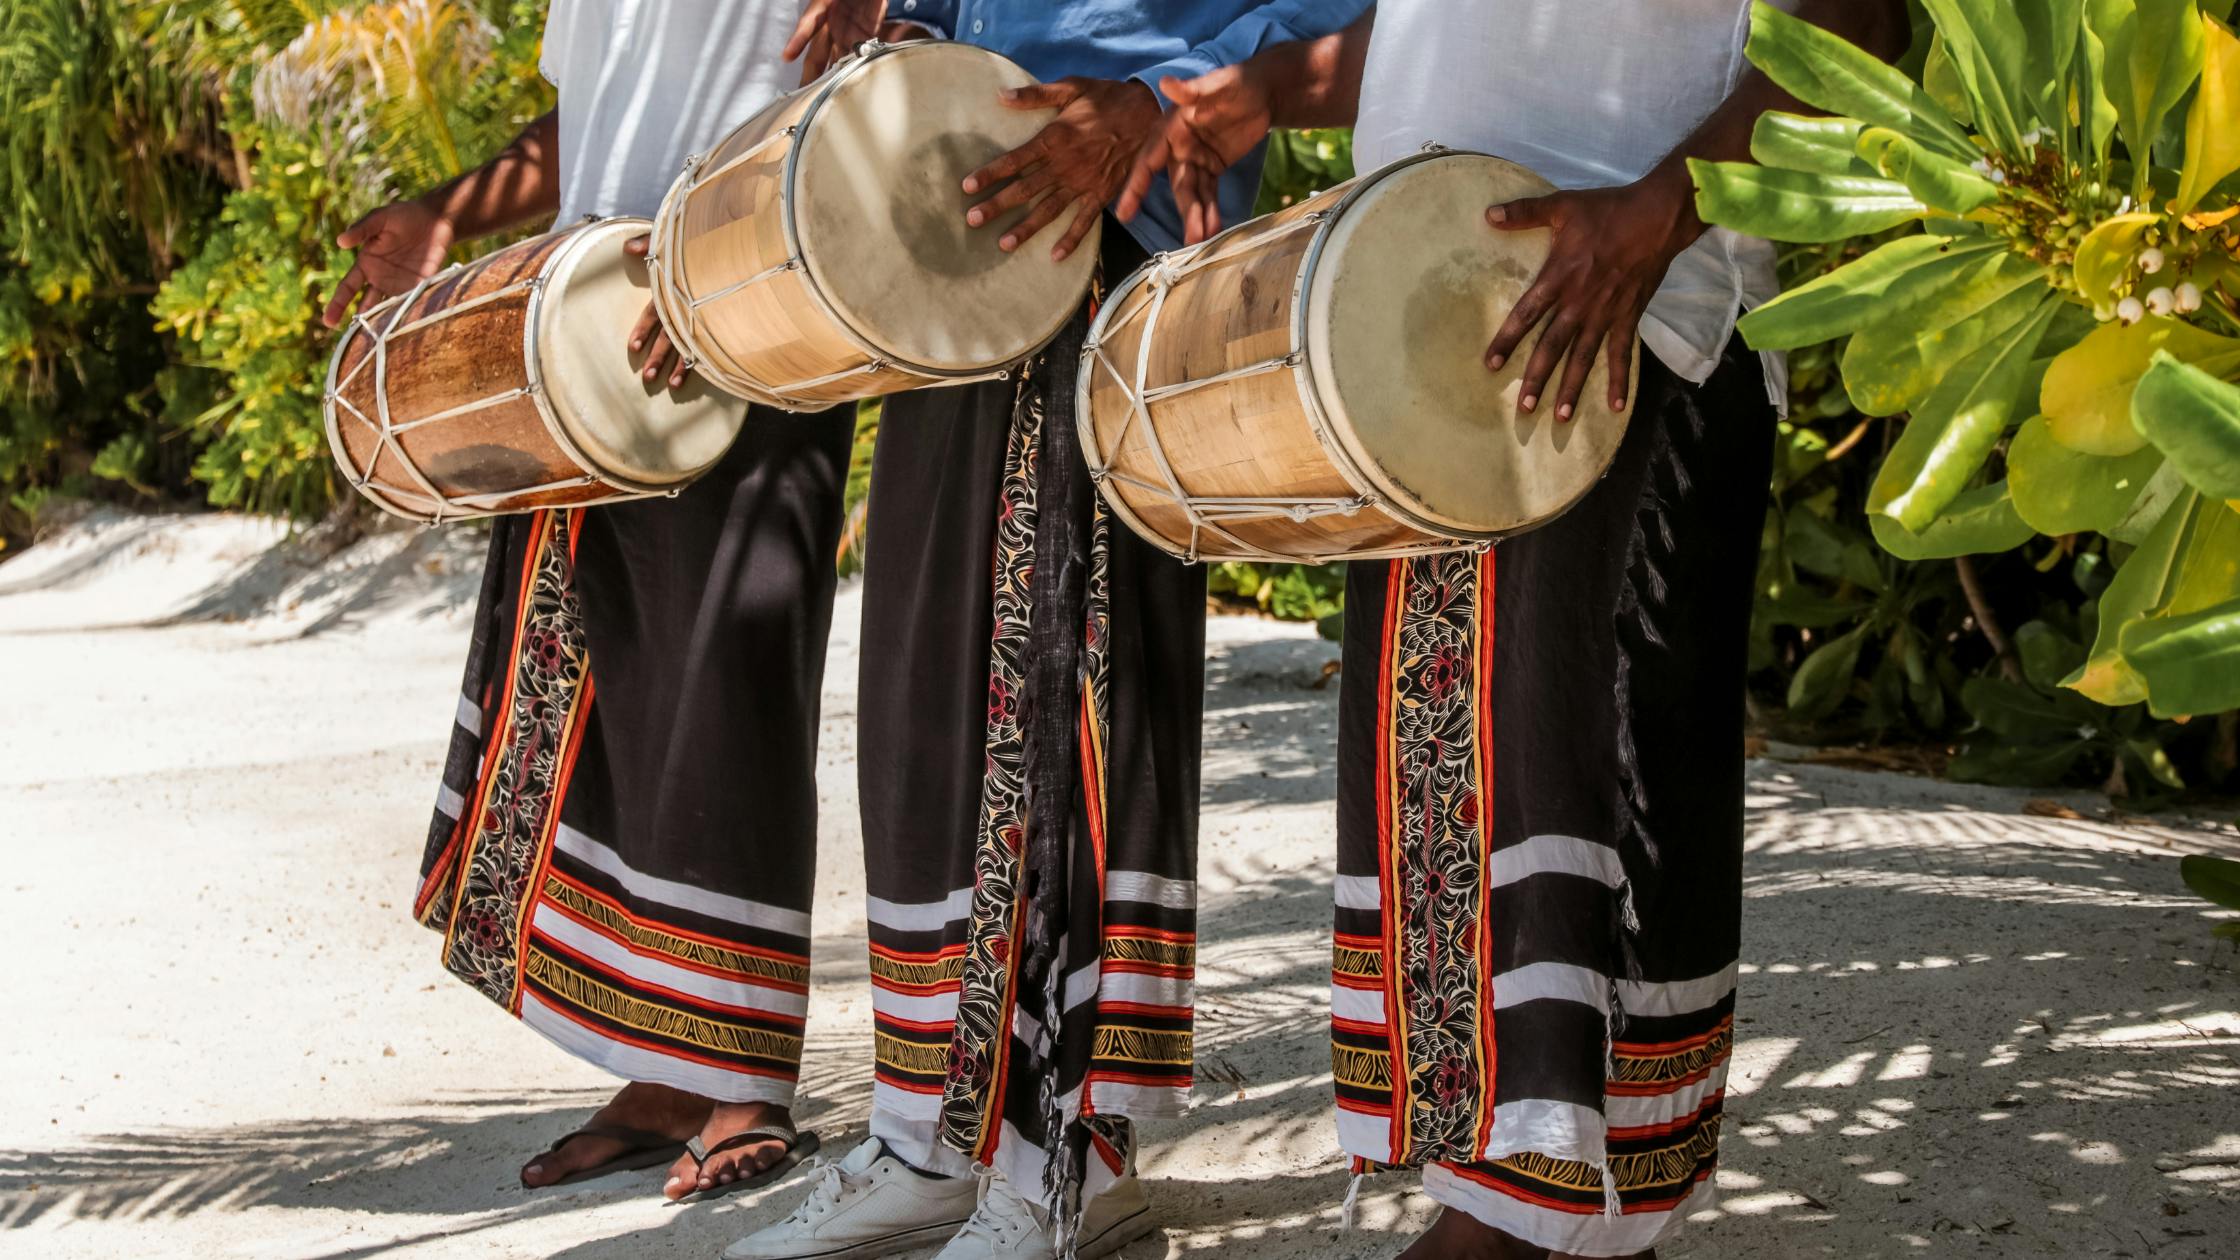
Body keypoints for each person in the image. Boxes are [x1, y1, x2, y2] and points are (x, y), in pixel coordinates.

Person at [1124, 1, 1909, 1256]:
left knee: (1567, 775)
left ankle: (1550, 1223)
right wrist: (1271, 80)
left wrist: (1660, 209)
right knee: (1450, 785)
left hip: (1625, 320)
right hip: (1430, 319)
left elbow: (1855, 19)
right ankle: (1497, 1203)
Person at [725, 3, 1369, 1259]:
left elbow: (1349, 20)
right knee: (925, 703)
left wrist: (1161, 99)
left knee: (1066, 696)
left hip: (1107, 240)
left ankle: (1071, 1155)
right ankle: (924, 1137)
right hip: (952, 242)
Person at [324, 0, 873, 1202]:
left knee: (727, 687)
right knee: (618, 690)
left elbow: (859, 96)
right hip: (587, 320)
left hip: (747, 306)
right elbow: (598, 127)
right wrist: (445, 219)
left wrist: (716, 269)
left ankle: (739, 1076)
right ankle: (666, 1065)